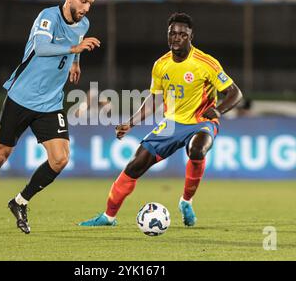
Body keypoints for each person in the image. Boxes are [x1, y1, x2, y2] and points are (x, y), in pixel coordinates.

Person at [79, 13, 242, 227]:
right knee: (135, 165)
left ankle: (186, 201)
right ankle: (108, 216)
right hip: (172, 124)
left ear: (191, 36)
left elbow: (235, 93)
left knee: (196, 149)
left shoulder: (206, 63)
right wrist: (131, 122)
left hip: (201, 122)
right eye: (172, 33)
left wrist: (219, 111)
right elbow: (154, 98)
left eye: (182, 34)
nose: (176, 38)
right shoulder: (161, 65)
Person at [0, 0, 101, 234]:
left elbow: (76, 43)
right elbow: (41, 48)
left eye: (90, 4)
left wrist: (76, 63)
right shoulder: (47, 17)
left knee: (60, 159)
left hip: (51, 102)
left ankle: (20, 201)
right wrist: (74, 51)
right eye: (84, 2)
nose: (86, 8)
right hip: (21, 97)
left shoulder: (83, 24)